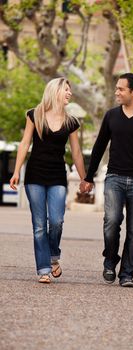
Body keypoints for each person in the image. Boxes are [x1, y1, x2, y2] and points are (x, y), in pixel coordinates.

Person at [80, 73, 133, 288]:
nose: (116, 92)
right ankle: (110, 261)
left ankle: (127, 274)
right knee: (111, 222)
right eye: (116, 88)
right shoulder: (111, 116)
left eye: (121, 89)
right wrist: (89, 177)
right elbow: (99, 147)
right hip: (114, 178)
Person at [10, 77, 86, 283]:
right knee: (39, 224)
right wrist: (16, 171)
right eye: (66, 90)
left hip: (57, 176)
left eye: (70, 90)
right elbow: (25, 144)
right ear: (56, 91)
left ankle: (53, 256)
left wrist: (84, 178)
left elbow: (76, 152)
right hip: (35, 174)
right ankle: (44, 269)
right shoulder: (35, 115)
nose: (70, 93)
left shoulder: (71, 122)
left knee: (57, 220)